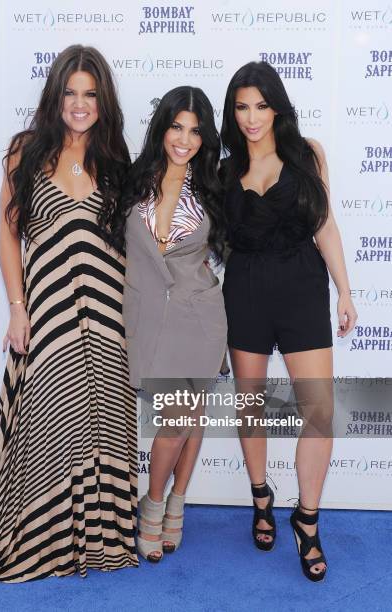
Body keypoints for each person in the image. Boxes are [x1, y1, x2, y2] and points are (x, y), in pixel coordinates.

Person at [0, 45, 138, 592]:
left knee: (103, 424)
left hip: (109, 315)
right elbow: (8, 232)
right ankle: (42, 535)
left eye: (90, 94)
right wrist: (17, 308)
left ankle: (100, 536)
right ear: (55, 96)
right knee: (50, 424)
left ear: (103, 101)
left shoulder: (116, 158)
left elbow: (132, 242)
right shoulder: (26, 151)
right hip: (48, 311)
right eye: (70, 92)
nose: (79, 103)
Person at [220, 61, 357, 582]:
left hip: (302, 288)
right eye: (241, 106)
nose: (252, 117)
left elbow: (324, 224)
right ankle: (261, 495)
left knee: (318, 410)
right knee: (252, 405)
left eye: (260, 104)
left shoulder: (307, 154)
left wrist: (344, 289)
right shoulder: (223, 170)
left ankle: (308, 520)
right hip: (246, 292)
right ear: (233, 112)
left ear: (277, 105)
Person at [116, 86, 227, 562]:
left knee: (189, 416)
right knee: (177, 421)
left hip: (198, 316)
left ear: (205, 138)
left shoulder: (214, 187)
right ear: (162, 127)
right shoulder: (132, 181)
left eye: (196, 131)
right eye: (177, 127)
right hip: (146, 317)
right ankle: (159, 501)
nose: (184, 139)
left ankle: (168, 502)